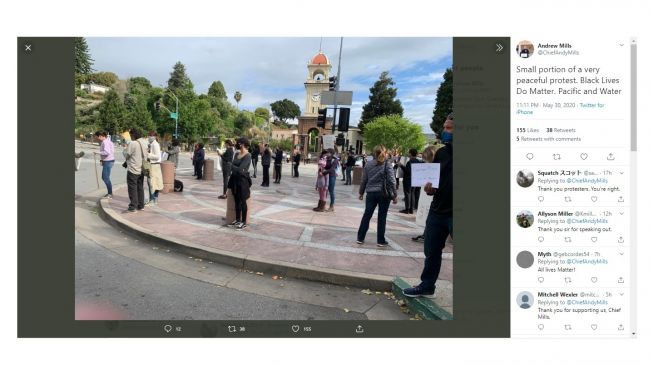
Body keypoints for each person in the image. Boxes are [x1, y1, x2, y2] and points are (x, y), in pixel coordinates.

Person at [403, 115, 453, 298]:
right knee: (431, 251)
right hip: (438, 210)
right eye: (445, 127)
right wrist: (430, 189)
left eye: (449, 128)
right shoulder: (441, 153)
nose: (445, 131)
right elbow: (435, 180)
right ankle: (427, 286)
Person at [356, 145, 398, 247]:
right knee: (382, 217)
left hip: (371, 193)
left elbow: (363, 180)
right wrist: (394, 195)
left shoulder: (368, 164)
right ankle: (380, 240)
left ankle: (360, 238)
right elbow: (392, 181)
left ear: (374, 153)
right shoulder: (387, 164)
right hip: (384, 194)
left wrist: (361, 193)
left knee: (367, 215)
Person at [227, 137, 252, 230]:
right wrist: (234, 167)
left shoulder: (248, 155)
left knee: (243, 201)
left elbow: (241, 170)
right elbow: (237, 168)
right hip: (234, 180)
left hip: (242, 181)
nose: (237, 144)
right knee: (236, 201)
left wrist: (231, 166)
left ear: (243, 144)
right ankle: (237, 219)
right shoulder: (237, 153)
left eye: (238, 143)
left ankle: (244, 222)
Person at [122, 129, 148, 212]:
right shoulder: (144, 142)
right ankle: (141, 205)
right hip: (142, 168)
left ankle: (133, 206)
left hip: (133, 169)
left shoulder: (133, 143)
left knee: (132, 188)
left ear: (133, 135)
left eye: (131, 135)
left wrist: (125, 149)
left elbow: (127, 155)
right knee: (140, 187)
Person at [399, 148, 422, 214]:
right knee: (412, 194)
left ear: (410, 153)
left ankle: (407, 209)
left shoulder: (410, 161)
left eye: (409, 152)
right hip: (415, 179)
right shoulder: (418, 161)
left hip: (408, 180)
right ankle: (411, 209)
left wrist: (401, 166)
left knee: (407, 194)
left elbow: (408, 171)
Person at [94, 131, 114, 198]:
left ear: (100, 136)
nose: (97, 139)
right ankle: (110, 193)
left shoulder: (105, 142)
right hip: (107, 161)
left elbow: (107, 152)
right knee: (105, 177)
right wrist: (102, 160)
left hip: (108, 161)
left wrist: (98, 152)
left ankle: (110, 193)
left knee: (105, 177)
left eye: (97, 137)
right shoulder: (106, 141)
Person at [146, 131, 164, 205]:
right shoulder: (152, 144)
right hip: (155, 165)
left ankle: (152, 200)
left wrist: (148, 154)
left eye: (150, 136)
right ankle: (154, 199)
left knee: (152, 183)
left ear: (154, 136)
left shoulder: (155, 144)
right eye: (149, 136)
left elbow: (157, 156)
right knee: (155, 182)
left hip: (154, 165)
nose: (149, 137)